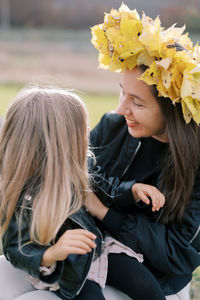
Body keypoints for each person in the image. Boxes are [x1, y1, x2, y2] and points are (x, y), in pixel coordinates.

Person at [0, 86, 167, 300]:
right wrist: (52, 253)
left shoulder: (80, 165)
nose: (87, 135)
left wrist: (132, 191)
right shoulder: (24, 197)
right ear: (60, 142)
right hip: (68, 266)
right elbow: (16, 248)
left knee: (144, 284)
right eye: (81, 130)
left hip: (99, 247)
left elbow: (107, 188)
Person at [85, 3, 200, 300]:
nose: (122, 109)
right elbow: (76, 176)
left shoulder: (195, 164)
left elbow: (178, 254)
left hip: (150, 282)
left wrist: (105, 213)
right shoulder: (112, 126)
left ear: (171, 110)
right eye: (123, 92)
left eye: (137, 102)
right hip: (87, 256)